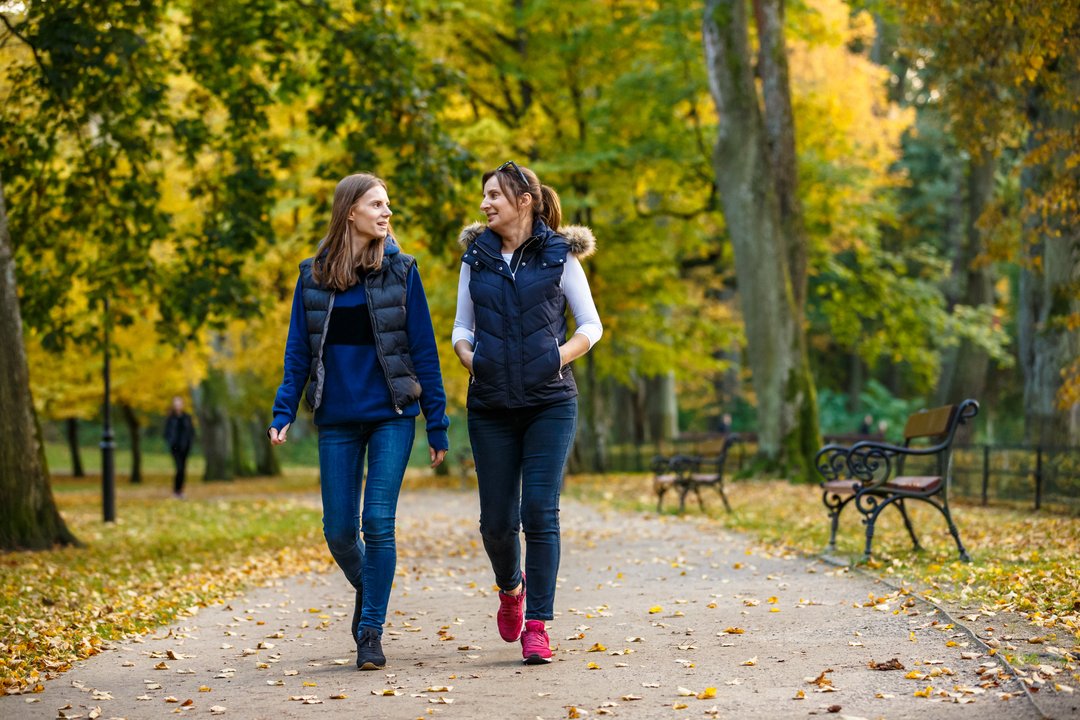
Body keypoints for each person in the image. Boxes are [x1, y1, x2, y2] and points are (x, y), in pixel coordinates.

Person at [268, 173, 449, 671]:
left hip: (392, 415)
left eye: (389, 204)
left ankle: (370, 631)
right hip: (337, 419)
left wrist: (437, 421)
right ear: (351, 211)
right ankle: (373, 589)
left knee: (378, 523)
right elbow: (298, 352)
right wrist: (284, 409)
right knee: (339, 531)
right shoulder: (312, 276)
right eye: (378, 204)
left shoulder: (402, 271)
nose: (387, 213)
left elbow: (424, 351)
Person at [452, 161, 603, 665]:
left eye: (494, 194)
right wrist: (472, 359)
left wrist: (557, 357)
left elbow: (591, 325)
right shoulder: (476, 258)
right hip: (491, 404)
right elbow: (461, 328)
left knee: (539, 510)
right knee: (496, 522)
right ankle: (510, 588)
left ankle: (537, 624)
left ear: (524, 201)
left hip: (549, 402)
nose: (485, 203)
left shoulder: (559, 256)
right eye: (484, 195)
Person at [163, 395, 195, 498]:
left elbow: (191, 432)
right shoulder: (170, 418)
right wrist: (171, 442)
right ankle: (176, 490)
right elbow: (167, 433)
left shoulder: (187, 417)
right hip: (175, 448)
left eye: (179, 403)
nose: (177, 405)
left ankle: (180, 490)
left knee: (183, 469)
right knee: (179, 468)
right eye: (175, 403)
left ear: (182, 404)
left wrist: (189, 443)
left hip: (185, 447)